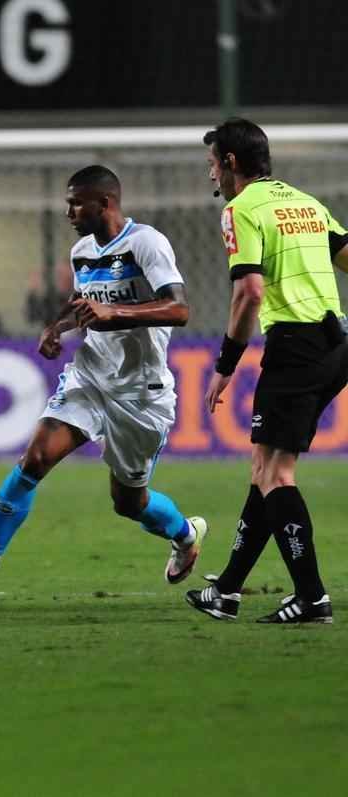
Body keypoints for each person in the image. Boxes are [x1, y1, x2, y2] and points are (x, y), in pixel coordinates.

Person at [0, 165, 207, 601]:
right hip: (90, 377)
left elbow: (179, 310)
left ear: (104, 203)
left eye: (76, 202)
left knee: (129, 503)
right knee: (34, 460)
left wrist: (116, 315)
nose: (68, 211)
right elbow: (82, 305)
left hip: (140, 394)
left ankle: (185, 535)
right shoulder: (82, 251)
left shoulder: (146, 243)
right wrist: (56, 327)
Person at [187, 118, 348, 624]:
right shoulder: (305, 202)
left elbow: (249, 292)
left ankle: (312, 596)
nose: (212, 177)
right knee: (264, 468)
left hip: (294, 345)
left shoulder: (242, 209)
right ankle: (229, 590)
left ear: (231, 163)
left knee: (276, 475)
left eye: (213, 166)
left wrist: (225, 365)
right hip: (334, 342)